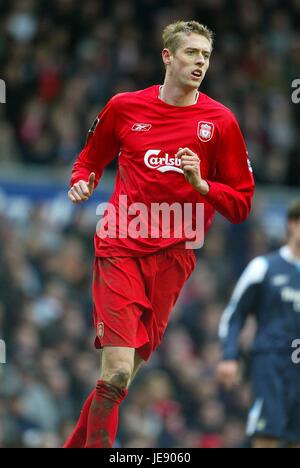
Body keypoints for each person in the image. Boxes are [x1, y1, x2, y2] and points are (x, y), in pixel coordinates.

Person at [65, 20, 255, 448]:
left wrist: (203, 185)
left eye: (206, 55)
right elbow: (90, 159)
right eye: (192, 53)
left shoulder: (220, 122)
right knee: (114, 369)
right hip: (120, 243)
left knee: (121, 379)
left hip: (175, 256)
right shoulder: (124, 107)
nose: (200, 63)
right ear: (168, 56)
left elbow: (242, 204)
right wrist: (84, 180)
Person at [217, 200, 300, 449]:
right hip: (271, 364)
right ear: (293, 225)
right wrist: (229, 356)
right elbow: (234, 314)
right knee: (267, 436)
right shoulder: (264, 267)